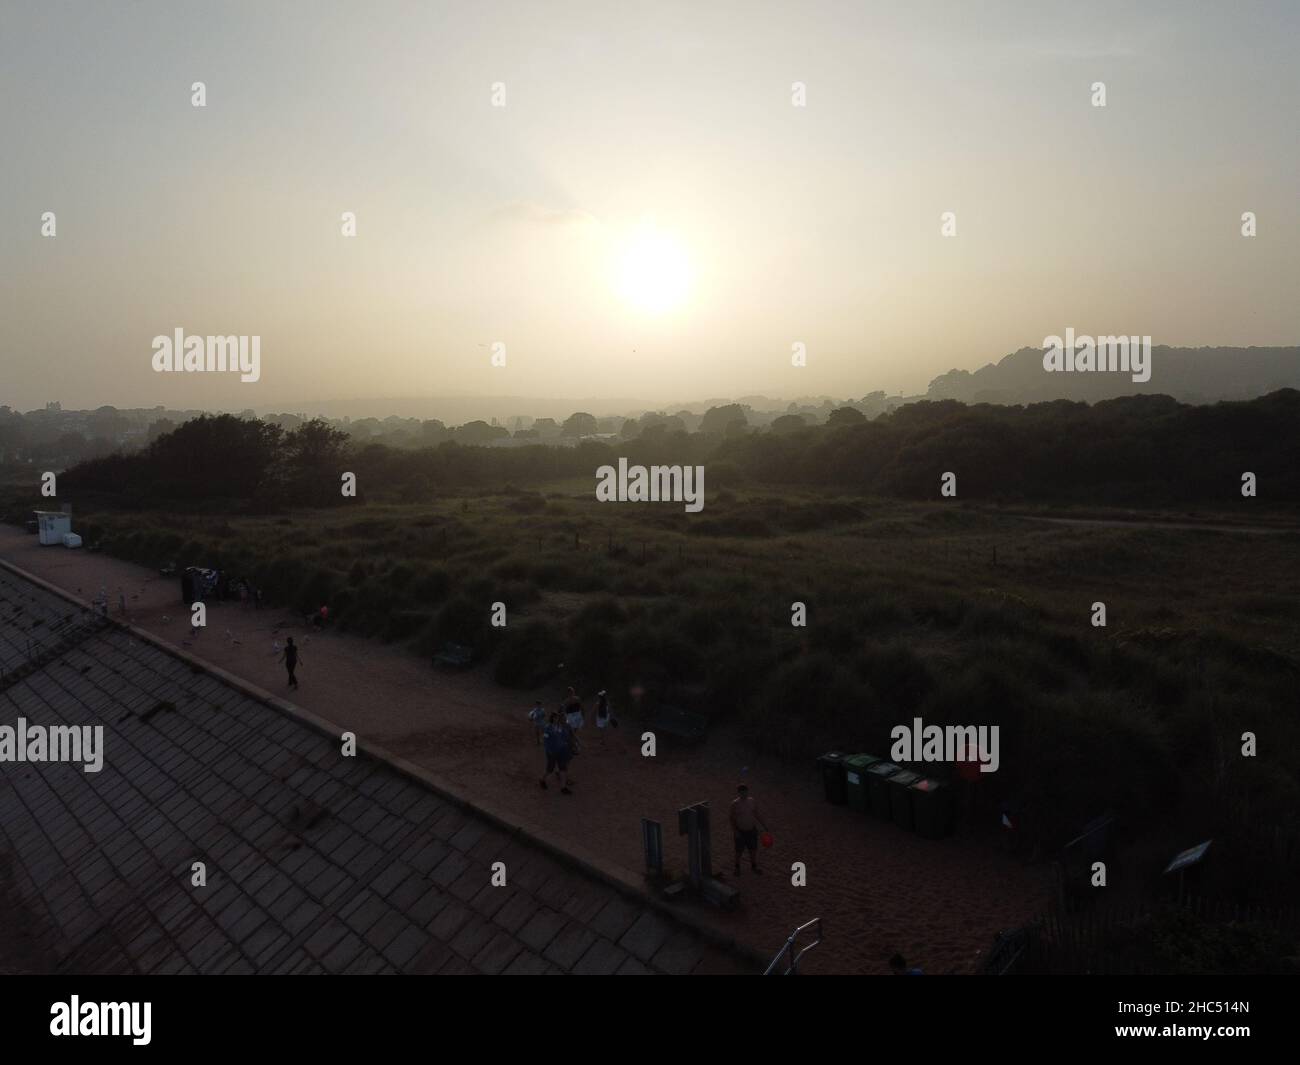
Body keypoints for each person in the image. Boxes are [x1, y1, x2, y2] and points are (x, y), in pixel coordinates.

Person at [729, 783, 769, 876]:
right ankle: (737, 867)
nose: (744, 794)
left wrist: (764, 825)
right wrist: (735, 831)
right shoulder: (735, 804)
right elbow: (731, 819)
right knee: (739, 851)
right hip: (740, 831)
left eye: (745, 792)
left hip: (752, 830)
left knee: (753, 849)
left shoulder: (752, 801)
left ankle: (754, 866)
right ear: (738, 793)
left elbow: (756, 814)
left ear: (747, 792)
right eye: (742, 793)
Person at [539, 712, 573, 795]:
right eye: (555, 718)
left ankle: (563, 787)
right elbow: (545, 740)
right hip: (552, 752)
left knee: (563, 769)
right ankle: (542, 780)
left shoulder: (561, 727)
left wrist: (568, 745)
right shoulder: (548, 727)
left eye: (557, 718)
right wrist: (549, 750)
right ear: (552, 718)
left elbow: (566, 737)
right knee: (550, 769)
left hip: (561, 752)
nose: (557, 719)